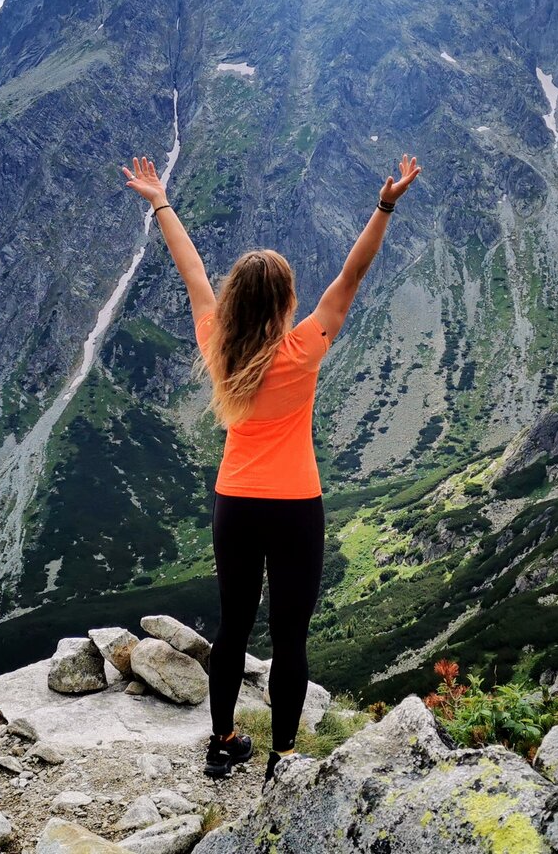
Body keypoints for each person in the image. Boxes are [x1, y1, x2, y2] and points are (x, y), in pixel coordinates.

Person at [121, 151, 422, 784]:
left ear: (235, 301)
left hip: (235, 502)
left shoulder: (216, 342)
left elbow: (192, 270)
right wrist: (385, 203)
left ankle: (223, 739)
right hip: (295, 508)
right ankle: (283, 756)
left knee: (232, 626)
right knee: (290, 637)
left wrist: (160, 202)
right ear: (287, 300)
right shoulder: (303, 347)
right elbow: (352, 273)